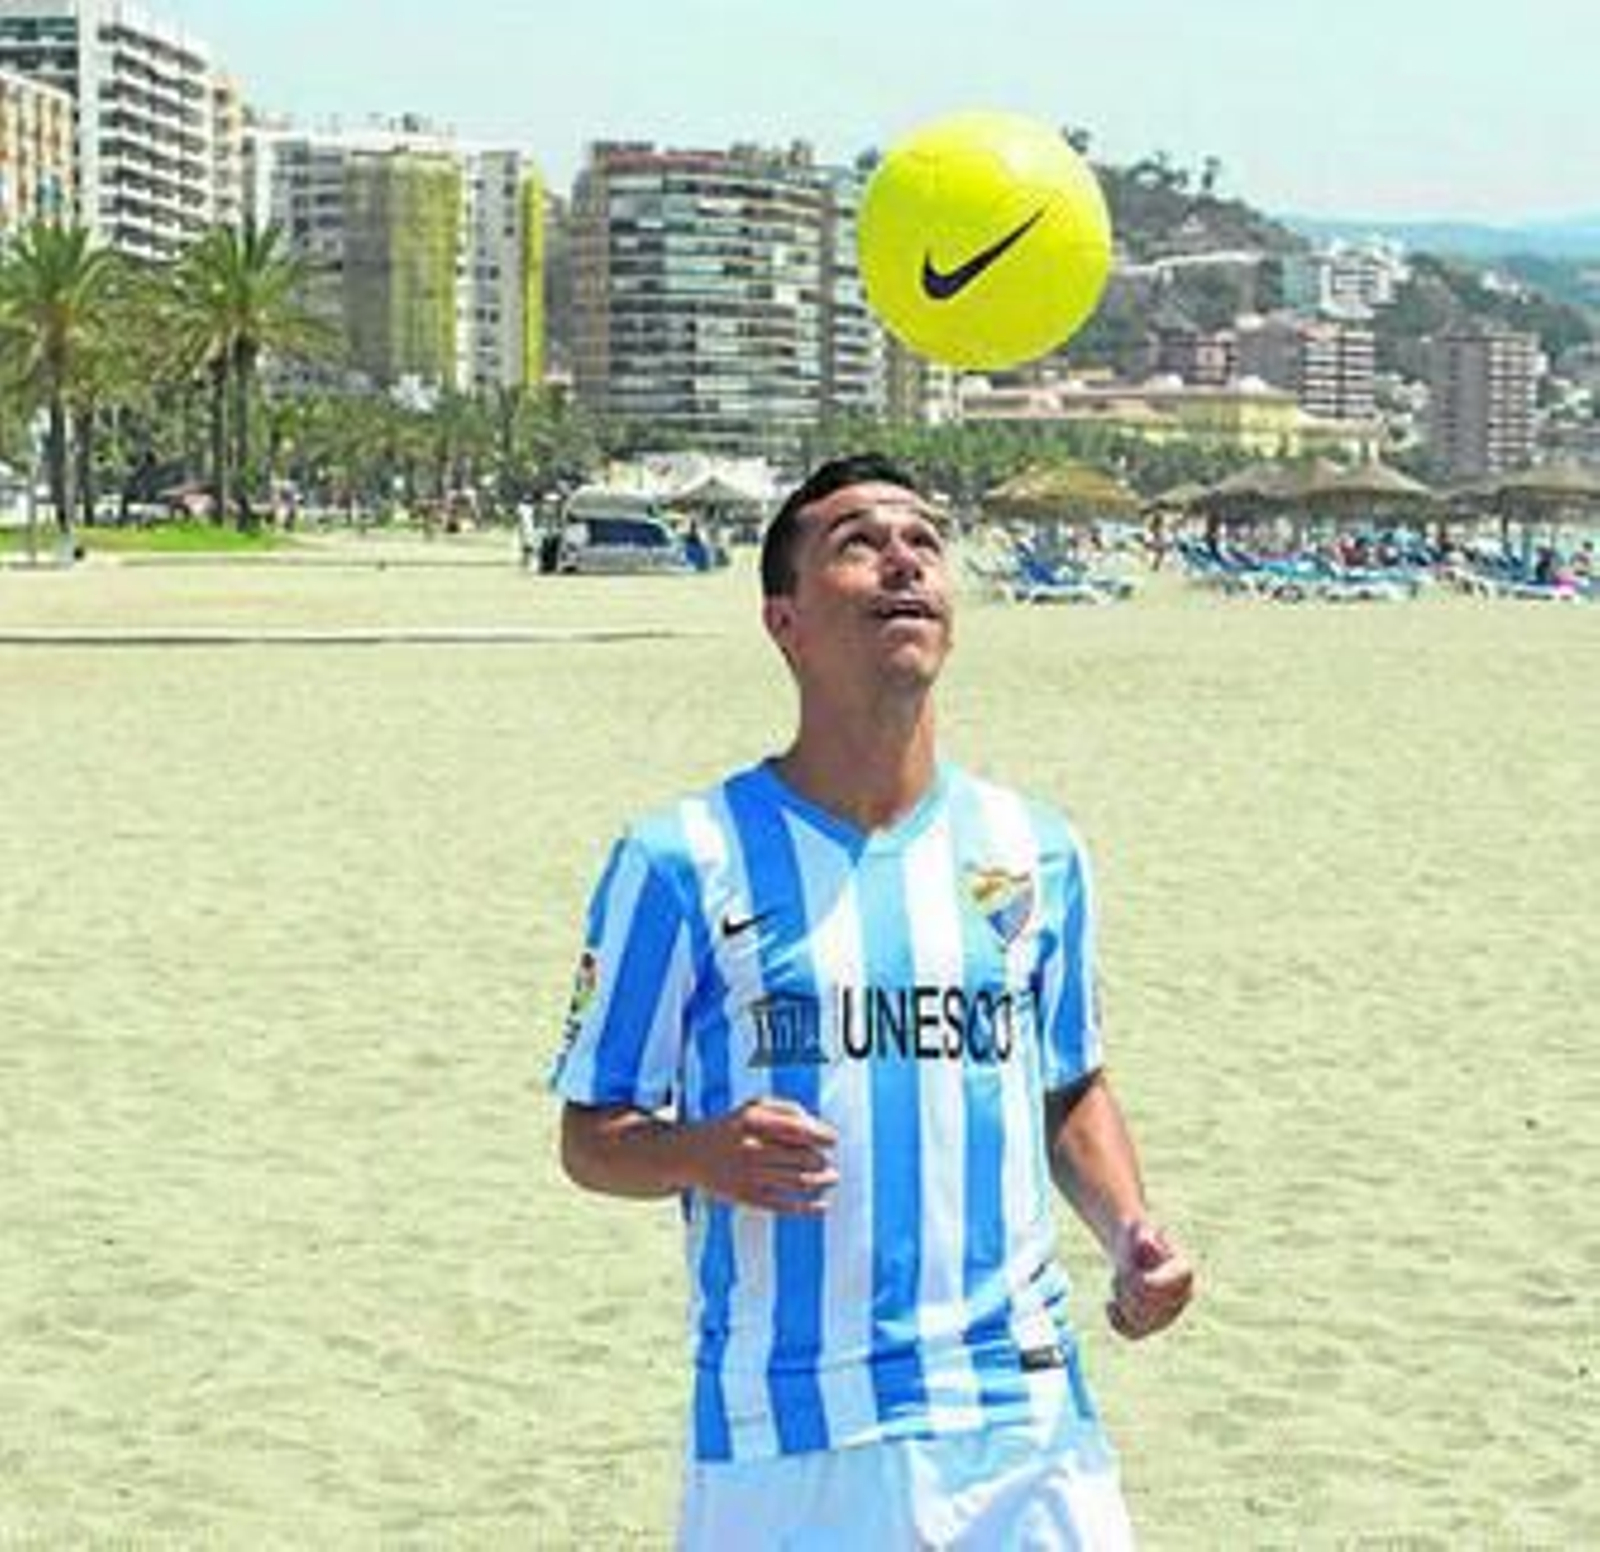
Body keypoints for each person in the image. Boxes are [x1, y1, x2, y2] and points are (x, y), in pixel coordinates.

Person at [551, 453, 1194, 1548]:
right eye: (857, 541)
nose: (903, 558)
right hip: (784, 1430)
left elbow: (1068, 1083)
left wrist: (1129, 1229)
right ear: (784, 619)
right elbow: (589, 1134)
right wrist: (700, 1152)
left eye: (925, 541)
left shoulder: (1032, 848)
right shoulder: (680, 858)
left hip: (1018, 1415)